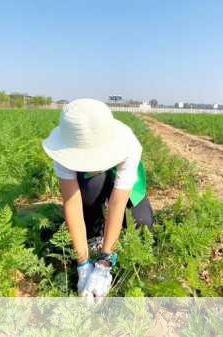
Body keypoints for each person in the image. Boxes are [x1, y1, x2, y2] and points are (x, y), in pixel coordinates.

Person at [42, 98, 154, 298]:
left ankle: (107, 243)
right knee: (90, 190)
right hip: (90, 183)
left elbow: (117, 203)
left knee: (143, 223)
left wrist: (104, 263)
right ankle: (95, 230)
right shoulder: (64, 150)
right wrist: (83, 263)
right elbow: (72, 203)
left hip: (123, 179)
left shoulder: (128, 145)